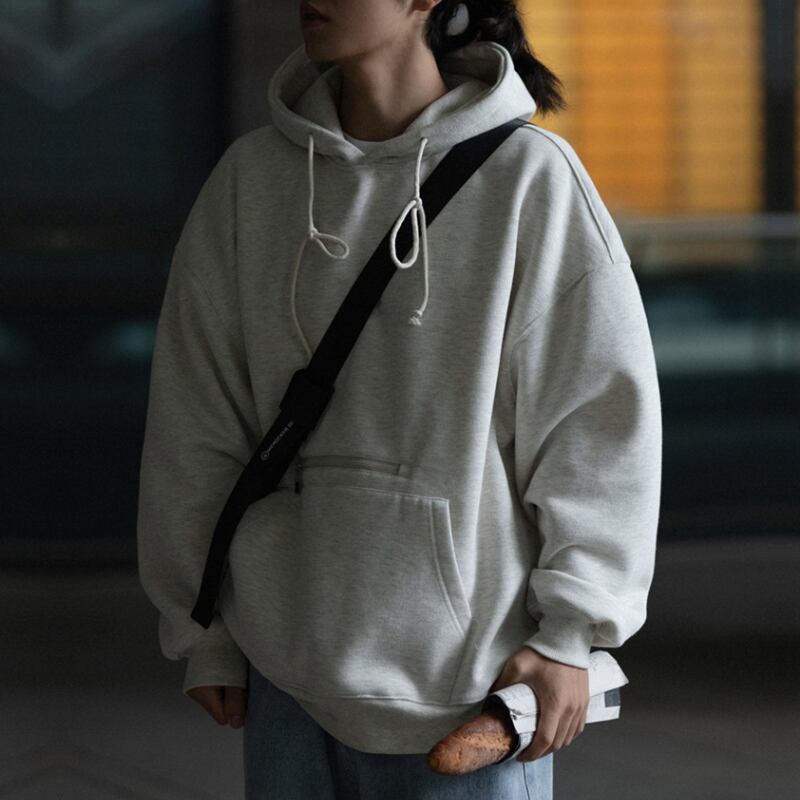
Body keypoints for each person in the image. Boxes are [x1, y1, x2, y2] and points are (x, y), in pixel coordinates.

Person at [136, 1, 662, 798]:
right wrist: (200, 625)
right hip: (286, 673)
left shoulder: (530, 180)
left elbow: (597, 428)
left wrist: (572, 636)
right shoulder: (250, 181)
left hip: (472, 688)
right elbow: (198, 418)